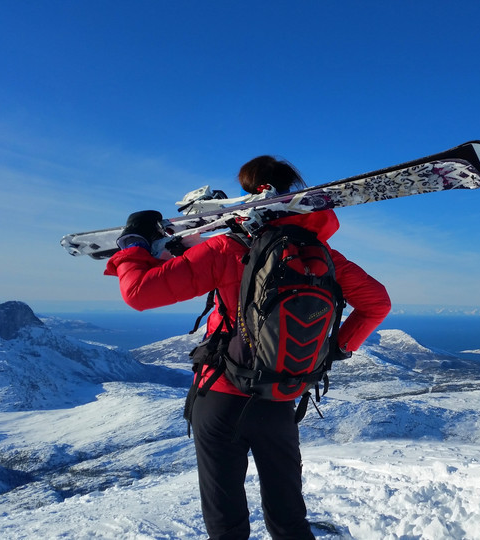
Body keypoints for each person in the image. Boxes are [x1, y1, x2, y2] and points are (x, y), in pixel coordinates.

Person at [104, 156, 391, 540]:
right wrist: (332, 351)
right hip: (280, 397)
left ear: (249, 196)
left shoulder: (227, 248)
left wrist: (134, 244)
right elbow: (378, 304)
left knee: (227, 521)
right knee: (289, 518)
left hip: (222, 397)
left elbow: (140, 293)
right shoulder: (324, 257)